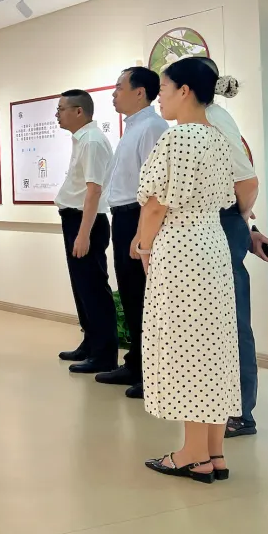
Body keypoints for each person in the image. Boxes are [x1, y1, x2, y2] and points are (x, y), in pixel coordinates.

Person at [137, 57, 240, 484]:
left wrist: (143, 245)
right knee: (211, 346)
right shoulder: (217, 137)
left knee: (184, 347)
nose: (159, 97)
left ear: (184, 91)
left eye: (163, 88)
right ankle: (214, 451)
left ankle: (192, 454)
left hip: (180, 247)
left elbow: (156, 204)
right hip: (212, 246)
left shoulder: (178, 138)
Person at [191, 56, 268, 438]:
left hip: (221, 225)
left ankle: (240, 412)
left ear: (187, 89)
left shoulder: (214, 120)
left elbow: (246, 181)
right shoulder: (198, 122)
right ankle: (218, 406)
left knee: (233, 323)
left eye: (168, 85)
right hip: (213, 226)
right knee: (211, 323)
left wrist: (240, 222)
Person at [96, 67, 169, 399]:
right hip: (124, 218)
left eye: (119, 87)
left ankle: (152, 374)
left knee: (143, 297)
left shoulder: (152, 127)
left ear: (140, 92)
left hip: (137, 219)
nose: (114, 94)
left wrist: (143, 234)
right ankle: (135, 364)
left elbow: (155, 188)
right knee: (130, 294)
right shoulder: (134, 127)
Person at [54, 89, 119, 374]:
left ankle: (104, 354)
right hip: (77, 219)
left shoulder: (91, 141)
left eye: (61, 109)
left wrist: (83, 234)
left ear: (78, 111)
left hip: (86, 222)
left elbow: (94, 191)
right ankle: (91, 342)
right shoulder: (82, 139)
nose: (57, 115)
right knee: (82, 287)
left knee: (93, 289)